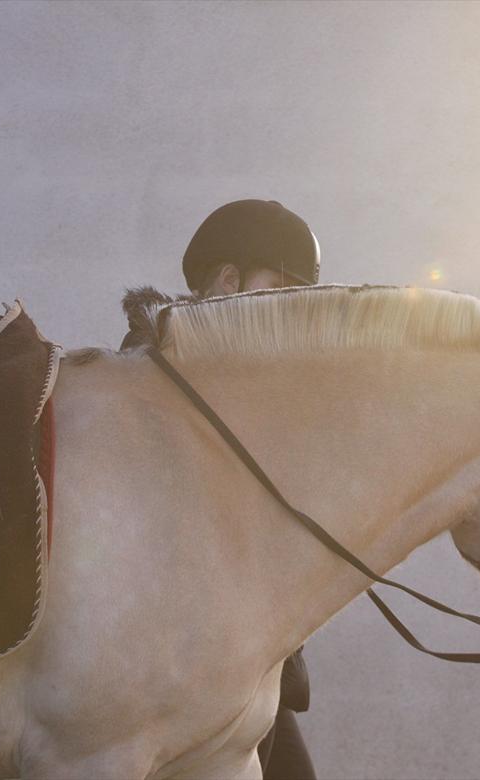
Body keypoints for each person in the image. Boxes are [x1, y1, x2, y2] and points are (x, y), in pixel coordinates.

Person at [121, 199, 320, 780]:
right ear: (229, 280)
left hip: (255, 678)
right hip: (176, 695)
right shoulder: (150, 376)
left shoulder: (253, 384)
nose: (289, 310)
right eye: (279, 288)